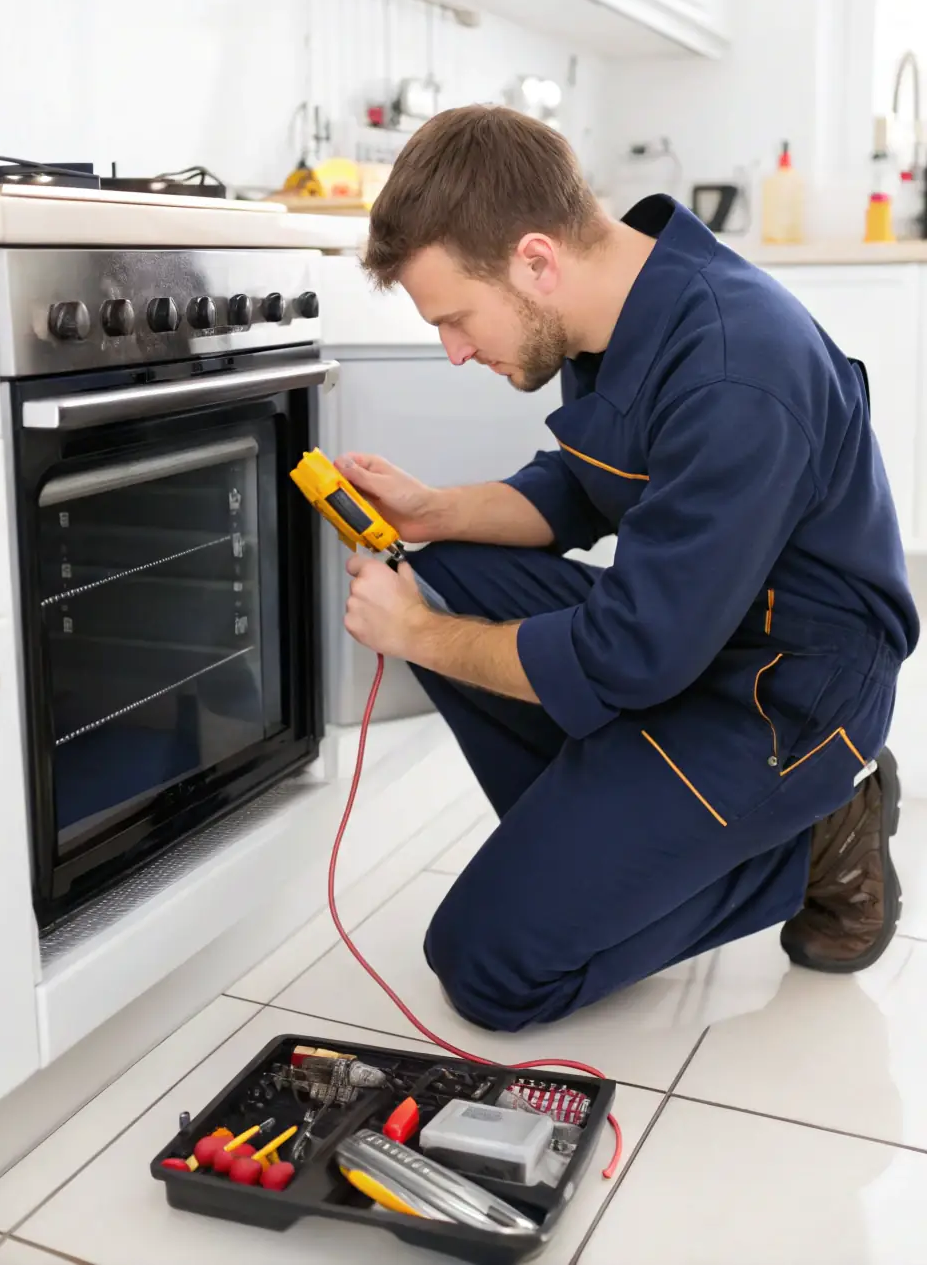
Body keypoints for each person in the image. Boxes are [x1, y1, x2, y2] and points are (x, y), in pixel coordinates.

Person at [336, 104, 918, 1034]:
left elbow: (626, 656)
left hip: (787, 697)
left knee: (486, 967)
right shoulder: (625, 304)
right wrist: (435, 508)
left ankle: (811, 839)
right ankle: (615, 839)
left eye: (455, 318)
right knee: (447, 565)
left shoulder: (736, 368)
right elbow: (581, 483)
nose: (453, 349)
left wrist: (416, 637)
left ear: (534, 260)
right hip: (700, 630)